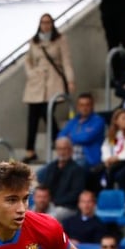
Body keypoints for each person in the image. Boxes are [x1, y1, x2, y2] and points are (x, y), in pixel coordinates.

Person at [21, 13, 74, 163]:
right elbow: (28, 60)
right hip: (36, 82)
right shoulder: (34, 41)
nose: (46, 25)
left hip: (53, 80)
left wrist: (70, 81)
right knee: (33, 116)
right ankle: (30, 150)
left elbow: (66, 61)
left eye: (48, 22)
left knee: (47, 112)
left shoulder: (59, 40)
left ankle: (58, 141)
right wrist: (31, 73)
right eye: (43, 23)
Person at [87, 108, 125, 192]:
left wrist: (117, 157)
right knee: (93, 172)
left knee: (110, 171)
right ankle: (97, 195)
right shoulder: (113, 135)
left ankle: (110, 194)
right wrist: (107, 158)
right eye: (123, 118)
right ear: (116, 121)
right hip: (112, 161)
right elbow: (105, 147)